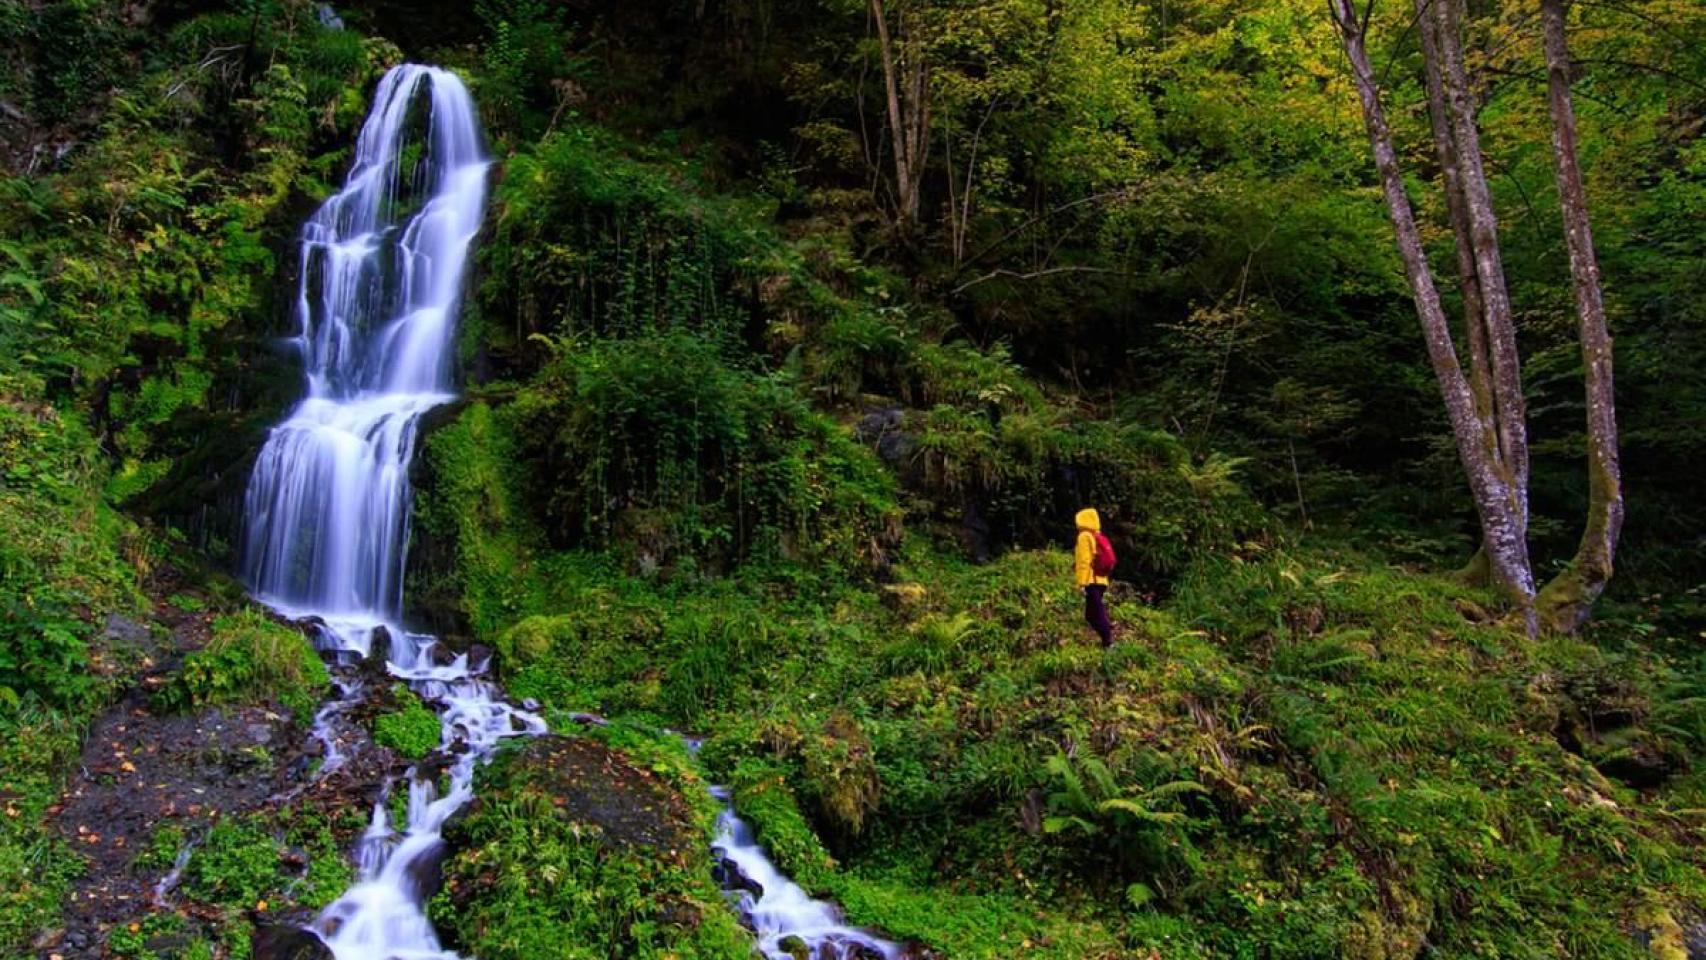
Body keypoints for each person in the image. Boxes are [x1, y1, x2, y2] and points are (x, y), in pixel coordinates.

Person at [1073, 507, 1114, 646]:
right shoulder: (1098, 536)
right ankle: (1106, 638)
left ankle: (1108, 642)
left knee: (1096, 612)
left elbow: (1085, 561)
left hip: (1091, 581)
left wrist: (1082, 583)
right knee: (1090, 615)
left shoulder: (1084, 536)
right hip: (1101, 580)